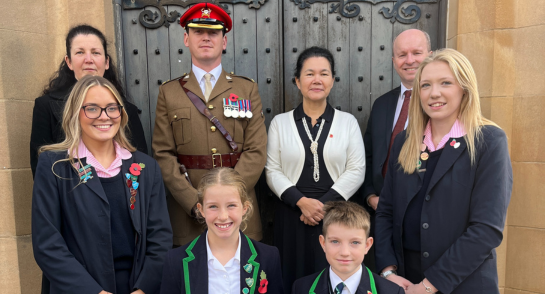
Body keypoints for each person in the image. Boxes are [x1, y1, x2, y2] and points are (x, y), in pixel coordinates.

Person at [375, 49, 512, 294]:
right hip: (405, 281)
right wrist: (388, 271)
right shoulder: (404, 142)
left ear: (465, 88)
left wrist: (429, 286)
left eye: (445, 83)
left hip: (463, 282)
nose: (434, 93)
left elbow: (486, 229)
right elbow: (386, 211)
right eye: (426, 85)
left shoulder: (488, 141)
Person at [32, 76, 172, 294]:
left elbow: (160, 238)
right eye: (92, 109)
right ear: (75, 113)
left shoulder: (146, 167)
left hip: (136, 287)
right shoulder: (54, 167)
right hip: (80, 288)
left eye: (111, 108)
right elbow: (47, 244)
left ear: (121, 113)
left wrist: (143, 288)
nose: (104, 116)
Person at [153, 2, 267, 247]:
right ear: (186, 38)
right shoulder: (169, 92)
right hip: (188, 214)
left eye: (213, 32)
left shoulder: (245, 88)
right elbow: (163, 154)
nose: (206, 37)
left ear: (224, 41)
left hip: (238, 213)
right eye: (198, 32)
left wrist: (228, 200)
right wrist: (194, 203)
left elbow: (256, 150)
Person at [265, 46, 365, 292]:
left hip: (334, 217)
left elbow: (356, 170)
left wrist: (321, 206)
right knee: (291, 278)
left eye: (324, 73)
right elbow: (272, 170)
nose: (317, 80)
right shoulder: (280, 122)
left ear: (332, 80)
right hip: (292, 214)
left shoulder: (347, 122)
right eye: (309, 74)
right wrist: (301, 202)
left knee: (331, 277)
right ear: (298, 81)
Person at [30, 24, 147, 178]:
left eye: (95, 52)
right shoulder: (45, 106)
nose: (88, 59)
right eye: (80, 52)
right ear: (69, 61)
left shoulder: (126, 110)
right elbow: (41, 170)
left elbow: (139, 165)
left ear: (106, 62)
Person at [361, 29, 432, 271]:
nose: (409, 60)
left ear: (430, 55)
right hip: (382, 217)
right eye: (402, 54)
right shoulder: (381, 104)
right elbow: (369, 156)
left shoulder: (440, 105)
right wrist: (371, 196)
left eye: (417, 53)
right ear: (393, 61)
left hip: (425, 221)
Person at [160, 168, 284, 294]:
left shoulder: (268, 257)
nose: (223, 216)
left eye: (231, 205)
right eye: (213, 206)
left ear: (244, 208)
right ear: (201, 209)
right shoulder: (176, 260)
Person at [292, 201, 403, 294]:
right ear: (323, 243)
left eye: (355, 242)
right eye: (335, 241)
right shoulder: (301, 288)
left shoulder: (392, 291)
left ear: (367, 245)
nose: (345, 252)